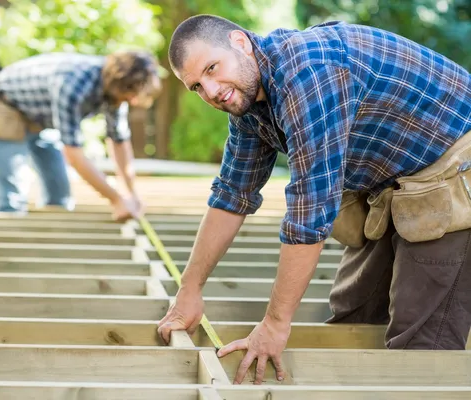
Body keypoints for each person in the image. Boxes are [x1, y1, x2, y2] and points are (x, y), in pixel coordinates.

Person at [157, 14, 471, 385]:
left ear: (241, 42)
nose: (211, 91)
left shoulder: (308, 72)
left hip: (452, 169)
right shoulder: (246, 101)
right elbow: (231, 196)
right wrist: (189, 291)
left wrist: (275, 324)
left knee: (419, 343)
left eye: (212, 68)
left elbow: (309, 213)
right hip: (388, 180)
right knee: (353, 315)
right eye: (196, 85)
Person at [0, 51, 161, 221]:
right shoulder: (73, 86)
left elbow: (119, 142)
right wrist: (116, 200)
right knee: (12, 196)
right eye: (131, 95)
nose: (133, 101)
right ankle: (10, 220)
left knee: (59, 195)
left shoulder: (116, 92)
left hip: (42, 116)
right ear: (120, 84)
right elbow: (74, 156)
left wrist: (131, 194)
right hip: (8, 105)